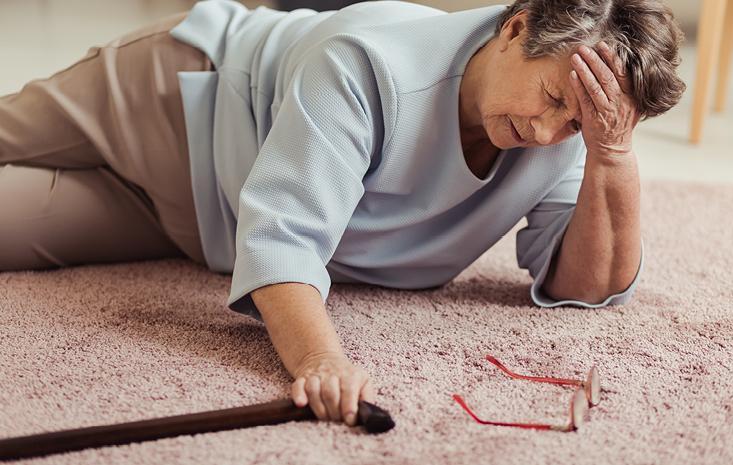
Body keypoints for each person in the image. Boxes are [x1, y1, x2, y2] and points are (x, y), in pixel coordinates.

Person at [0, 0, 685, 428]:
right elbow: (283, 240)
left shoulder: (572, 138)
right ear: (514, 28)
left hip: (199, 223)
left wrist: (611, 154)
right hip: (172, 102)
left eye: (577, 122)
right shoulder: (367, 64)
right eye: (548, 97)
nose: (545, 132)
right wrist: (321, 360)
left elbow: (585, 285)